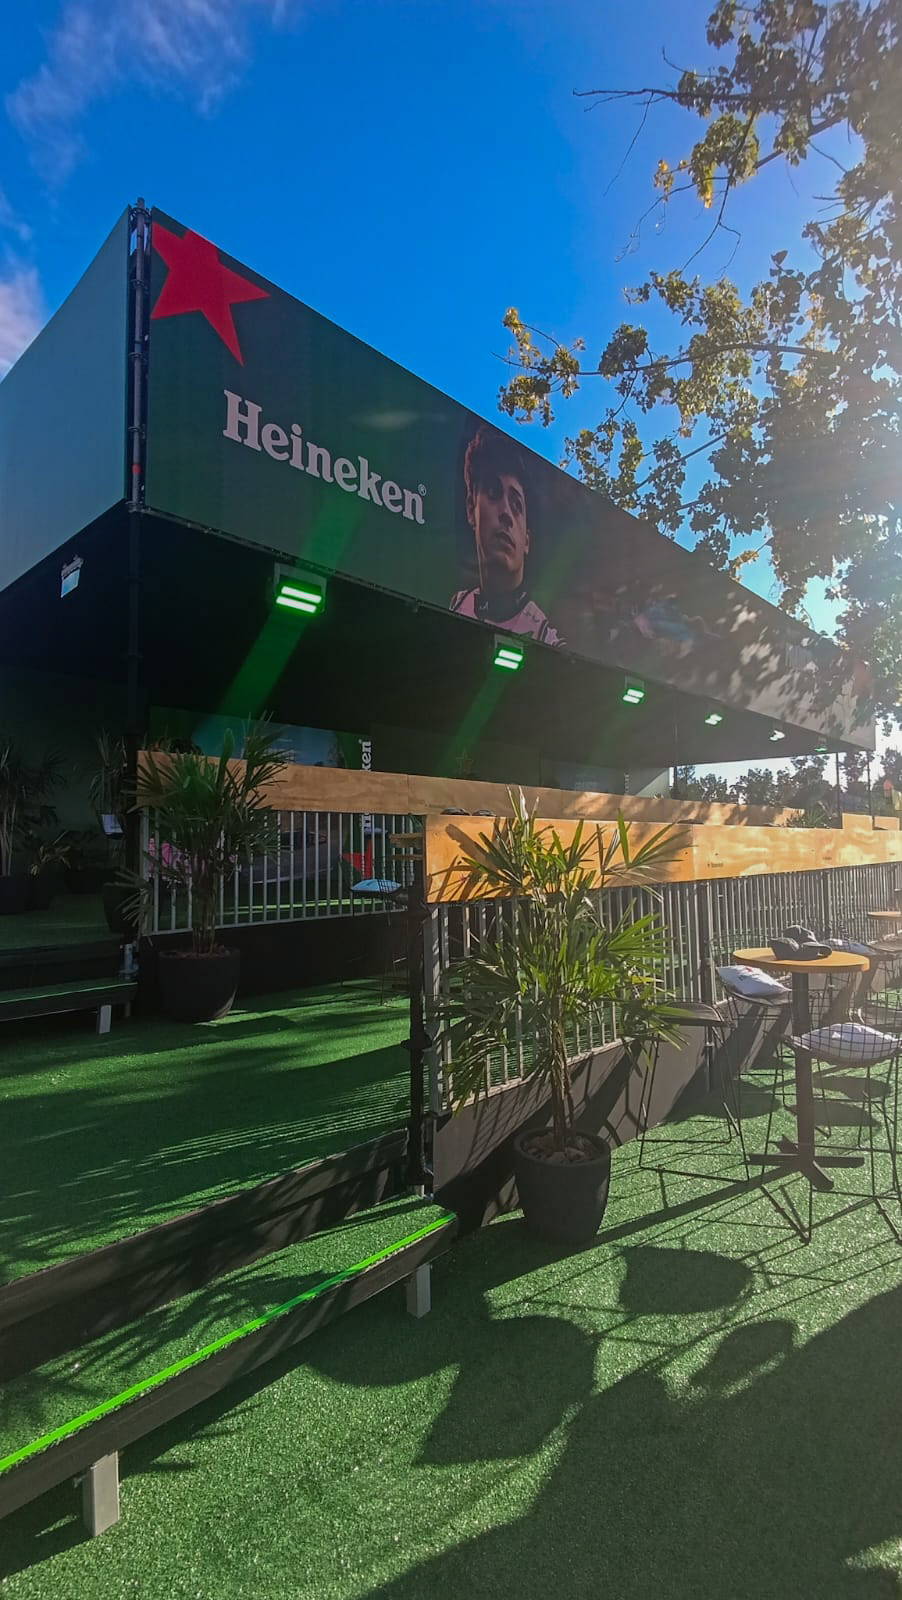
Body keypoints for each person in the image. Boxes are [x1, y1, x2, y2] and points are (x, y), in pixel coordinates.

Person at [450, 426, 562, 645]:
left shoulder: (547, 639)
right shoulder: (458, 605)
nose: (506, 514)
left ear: (527, 541)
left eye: (517, 505)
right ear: (471, 508)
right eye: (494, 493)